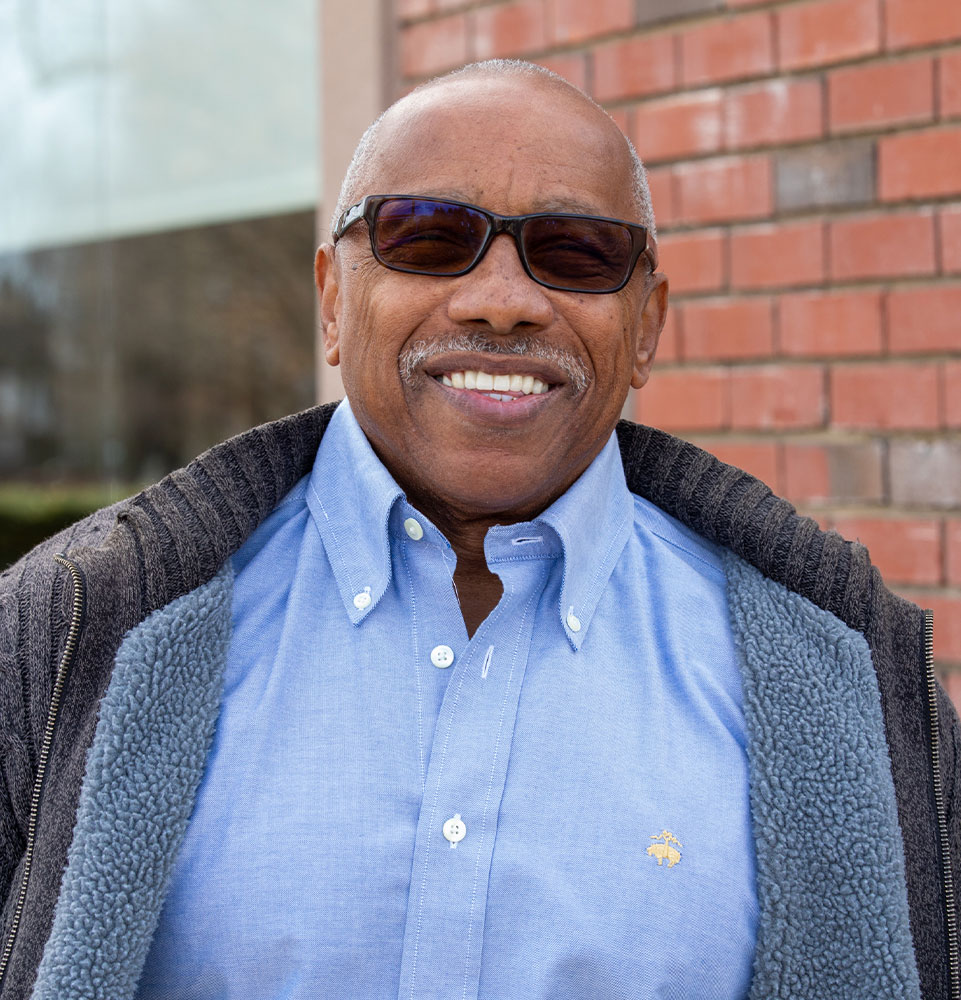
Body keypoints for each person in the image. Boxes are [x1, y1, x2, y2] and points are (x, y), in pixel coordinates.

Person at [0, 59, 957, 1000]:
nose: (502, 298)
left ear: (647, 329)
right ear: (334, 301)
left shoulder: (843, 680)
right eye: (427, 237)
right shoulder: (72, 636)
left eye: (575, 251)